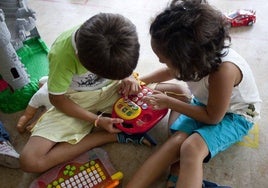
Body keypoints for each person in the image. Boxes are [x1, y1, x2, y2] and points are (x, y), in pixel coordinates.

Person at [19, 12, 187, 173]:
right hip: (77, 101)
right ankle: (114, 136)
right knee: (30, 161)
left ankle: (171, 148)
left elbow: (126, 66)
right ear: (79, 58)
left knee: (180, 92)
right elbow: (57, 99)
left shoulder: (117, 30)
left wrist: (129, 77)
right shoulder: (62, 55)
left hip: (116, 89)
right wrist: (97, 120)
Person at [126, 1, 261, 188]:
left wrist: (169, 102)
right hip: (205, 104)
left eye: (164, 60)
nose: (159, 61)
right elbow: (171, 71)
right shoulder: (195, 57)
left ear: (186, 61)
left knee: (191, 148)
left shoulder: (223, 72)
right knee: (178, 141)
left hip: (236, 116)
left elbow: (213, 117)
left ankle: (179, 172)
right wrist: (139, 80)